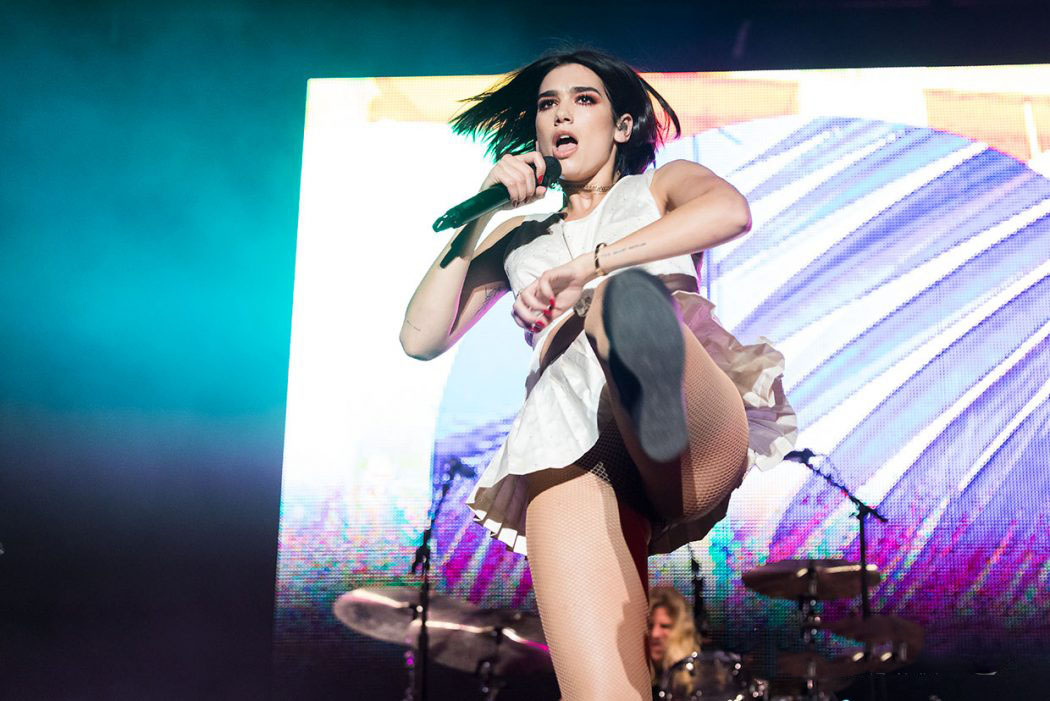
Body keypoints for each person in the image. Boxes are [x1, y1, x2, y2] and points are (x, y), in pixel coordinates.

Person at [400, 48, 796, 699]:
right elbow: (419, 336)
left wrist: (590, 267)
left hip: (686, 423)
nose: (561, 113)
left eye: (584, 100)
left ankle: (653, 409)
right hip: (571, 444)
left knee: (619, 300)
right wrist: (479, 216)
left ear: (620, 128)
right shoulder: (518, 245)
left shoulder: (659, 188)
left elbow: (729, 213)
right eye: (547, 104)